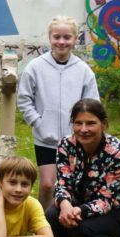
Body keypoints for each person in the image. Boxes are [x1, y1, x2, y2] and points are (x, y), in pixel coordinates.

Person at [17, 15, 100, 208]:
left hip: (76, 139)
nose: (61, 42)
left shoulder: (83, 70)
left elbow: (93, 103)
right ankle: (42, 225)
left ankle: (67, 223)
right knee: (48, 185)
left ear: (75, 39)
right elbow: (24, 98)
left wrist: (82, 128)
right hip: (46, 138)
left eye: (66, 37)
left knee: (72, 185)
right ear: (50, 38)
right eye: (57, 37)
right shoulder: (36, 67)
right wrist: (38, 122)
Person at [44, 99, 120, 237]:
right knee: (51, 216)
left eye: (91, 123)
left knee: (81, 227)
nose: (83, 129)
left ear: (104, 124)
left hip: (114, 210)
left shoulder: (117, 151)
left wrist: (78, 211)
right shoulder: (65, 145)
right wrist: (65, 205)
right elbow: (62, 183)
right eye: (78, 123)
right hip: (78, 203)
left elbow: (106, 199)